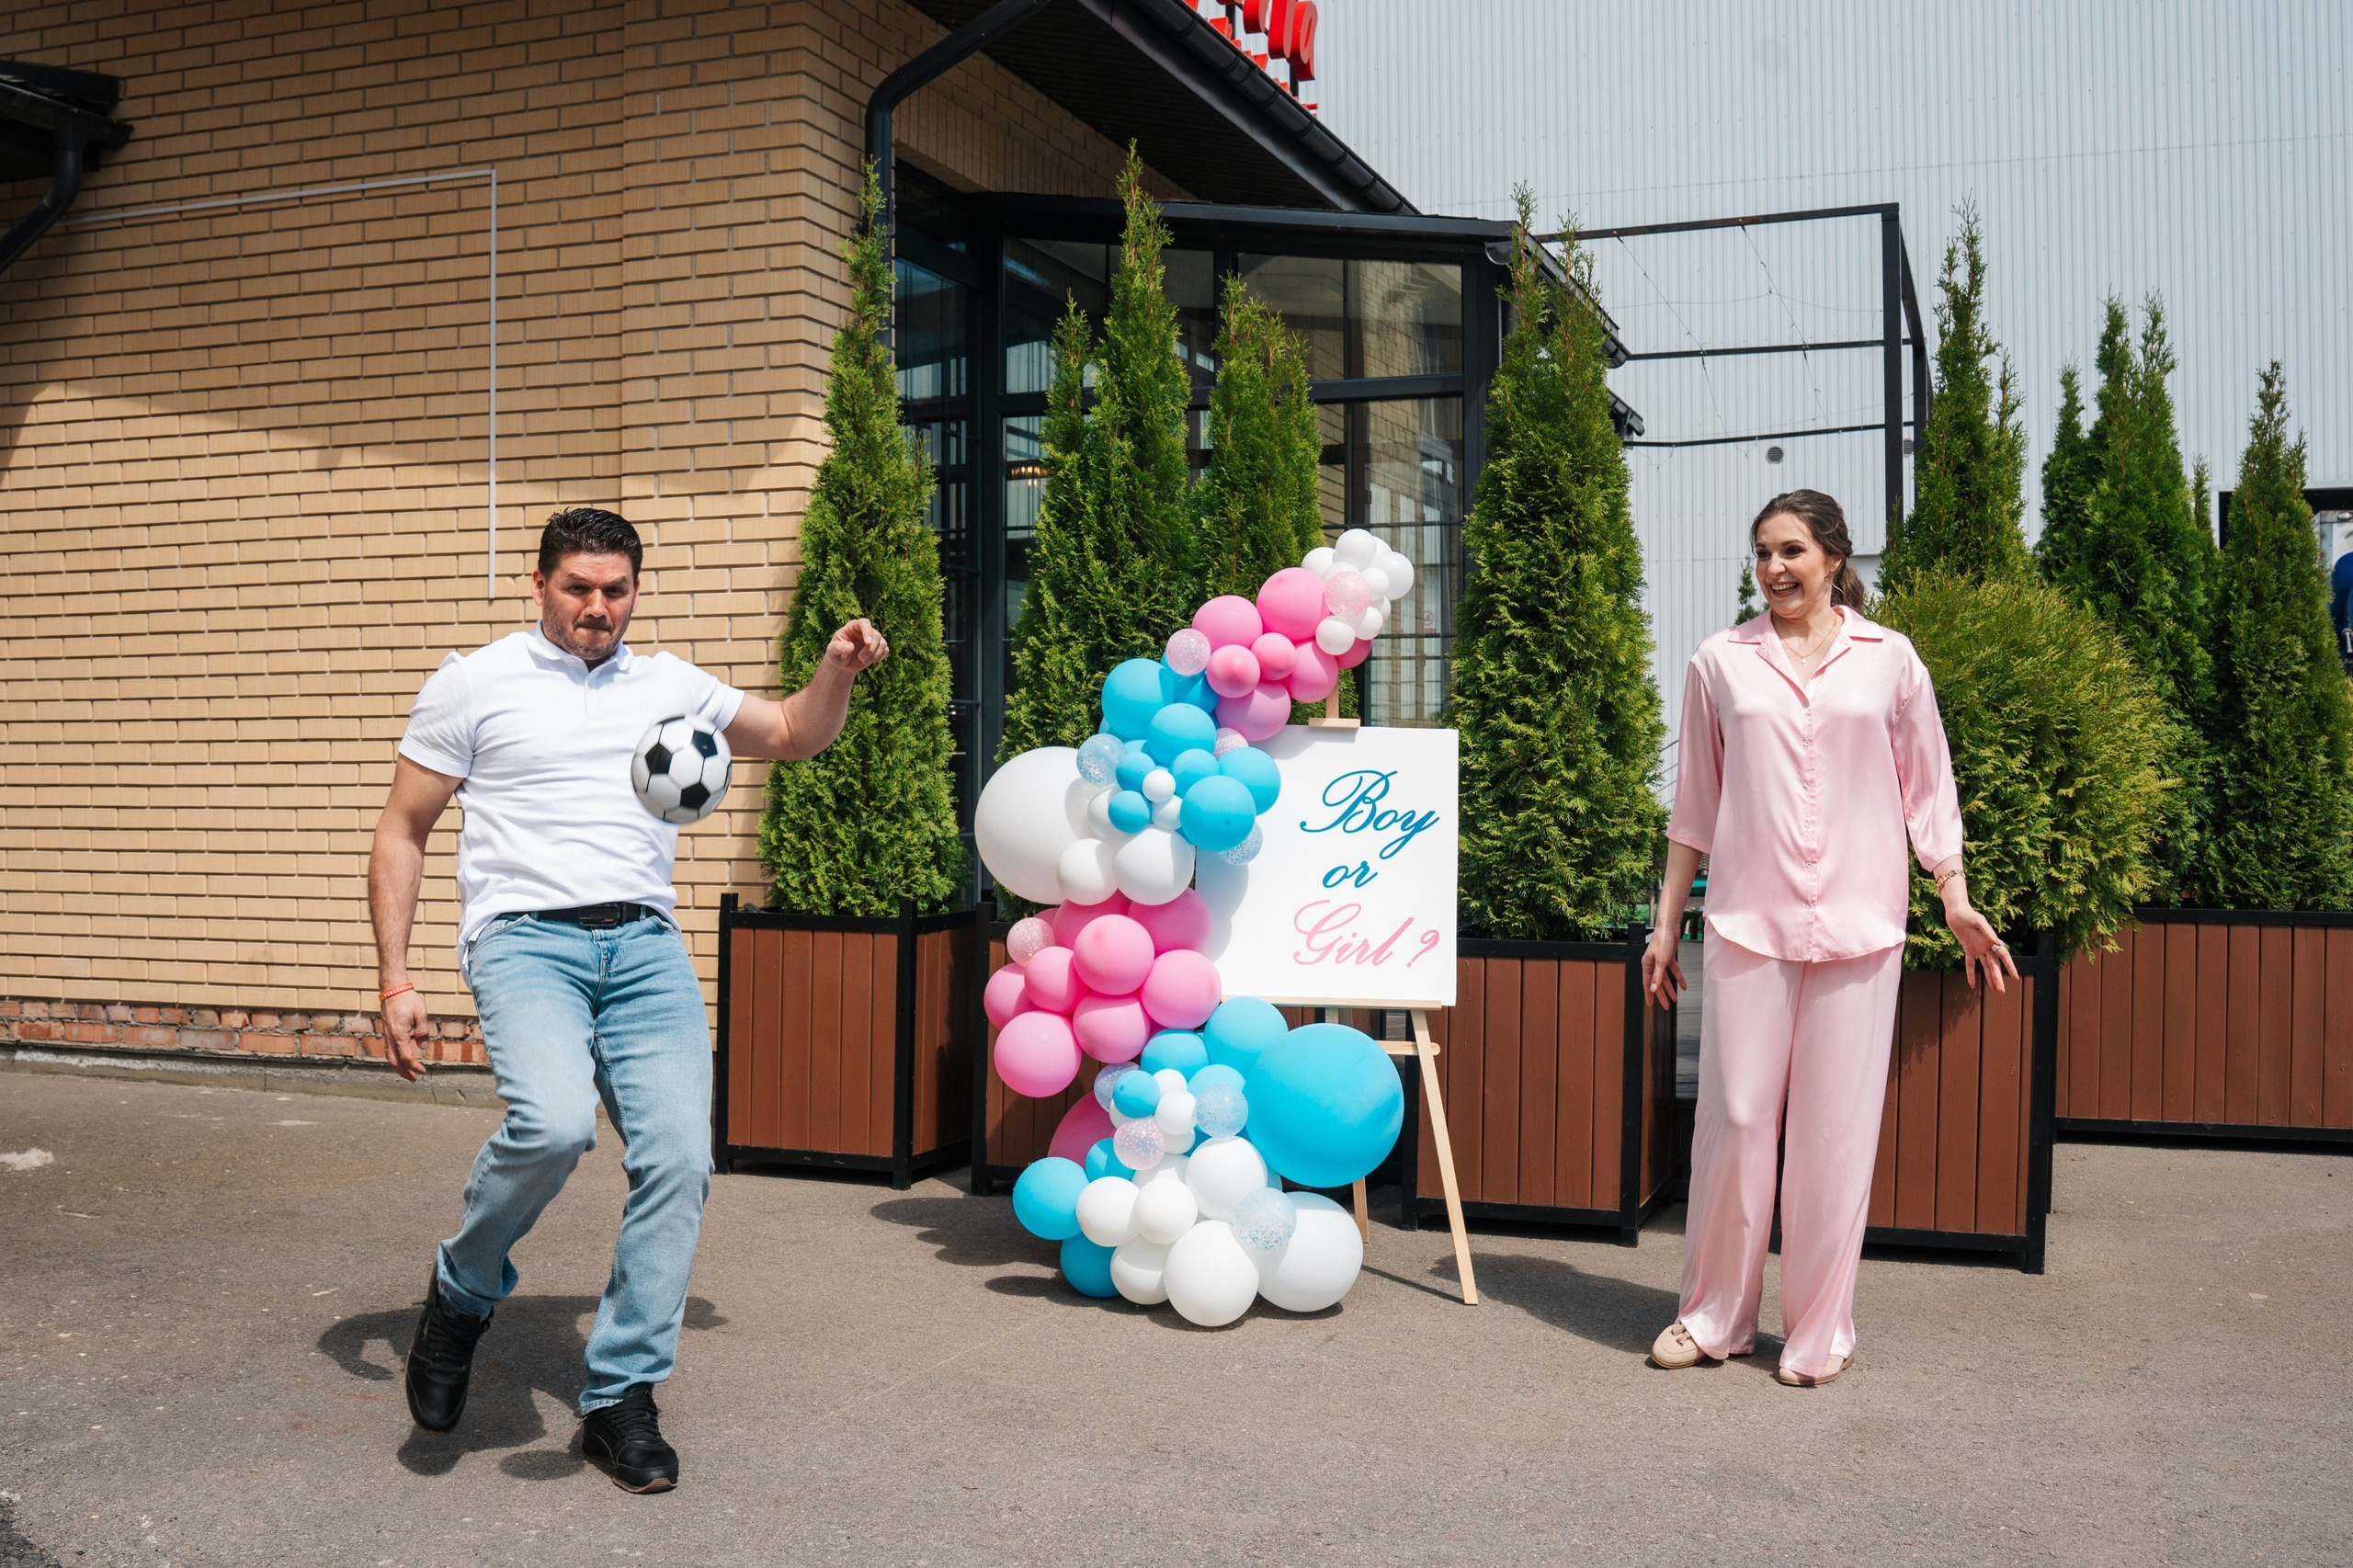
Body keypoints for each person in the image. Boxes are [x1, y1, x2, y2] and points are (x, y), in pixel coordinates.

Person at [368, 507, 888, 1491]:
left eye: (614, 589)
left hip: (644, 945)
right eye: (576, 587)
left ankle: (619, 1397)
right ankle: (462, 1287)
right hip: (526, 941)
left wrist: (836, 670)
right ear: (538, 584)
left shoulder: (670, 683)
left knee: (681, 1159)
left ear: (635, 591)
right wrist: (397, 979)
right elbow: (403, 828)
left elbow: (789, 734)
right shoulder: (473, 681)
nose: (595, 606)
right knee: (555, 1124)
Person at [1641, 490, 2016, 1387]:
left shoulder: (1890, 661)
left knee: (1832, 1135)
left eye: (1792, 550)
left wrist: (1952, 893)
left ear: (1835, 559)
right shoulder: (1718, 662)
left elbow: (1930, 786)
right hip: (1745, 922)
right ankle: (1712, 1315)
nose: (1774, 568)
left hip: (1860, 922)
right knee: (1734, 1122)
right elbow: (1695, 806)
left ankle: (1819, 1330)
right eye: (1762, 551)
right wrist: (1664, 926)